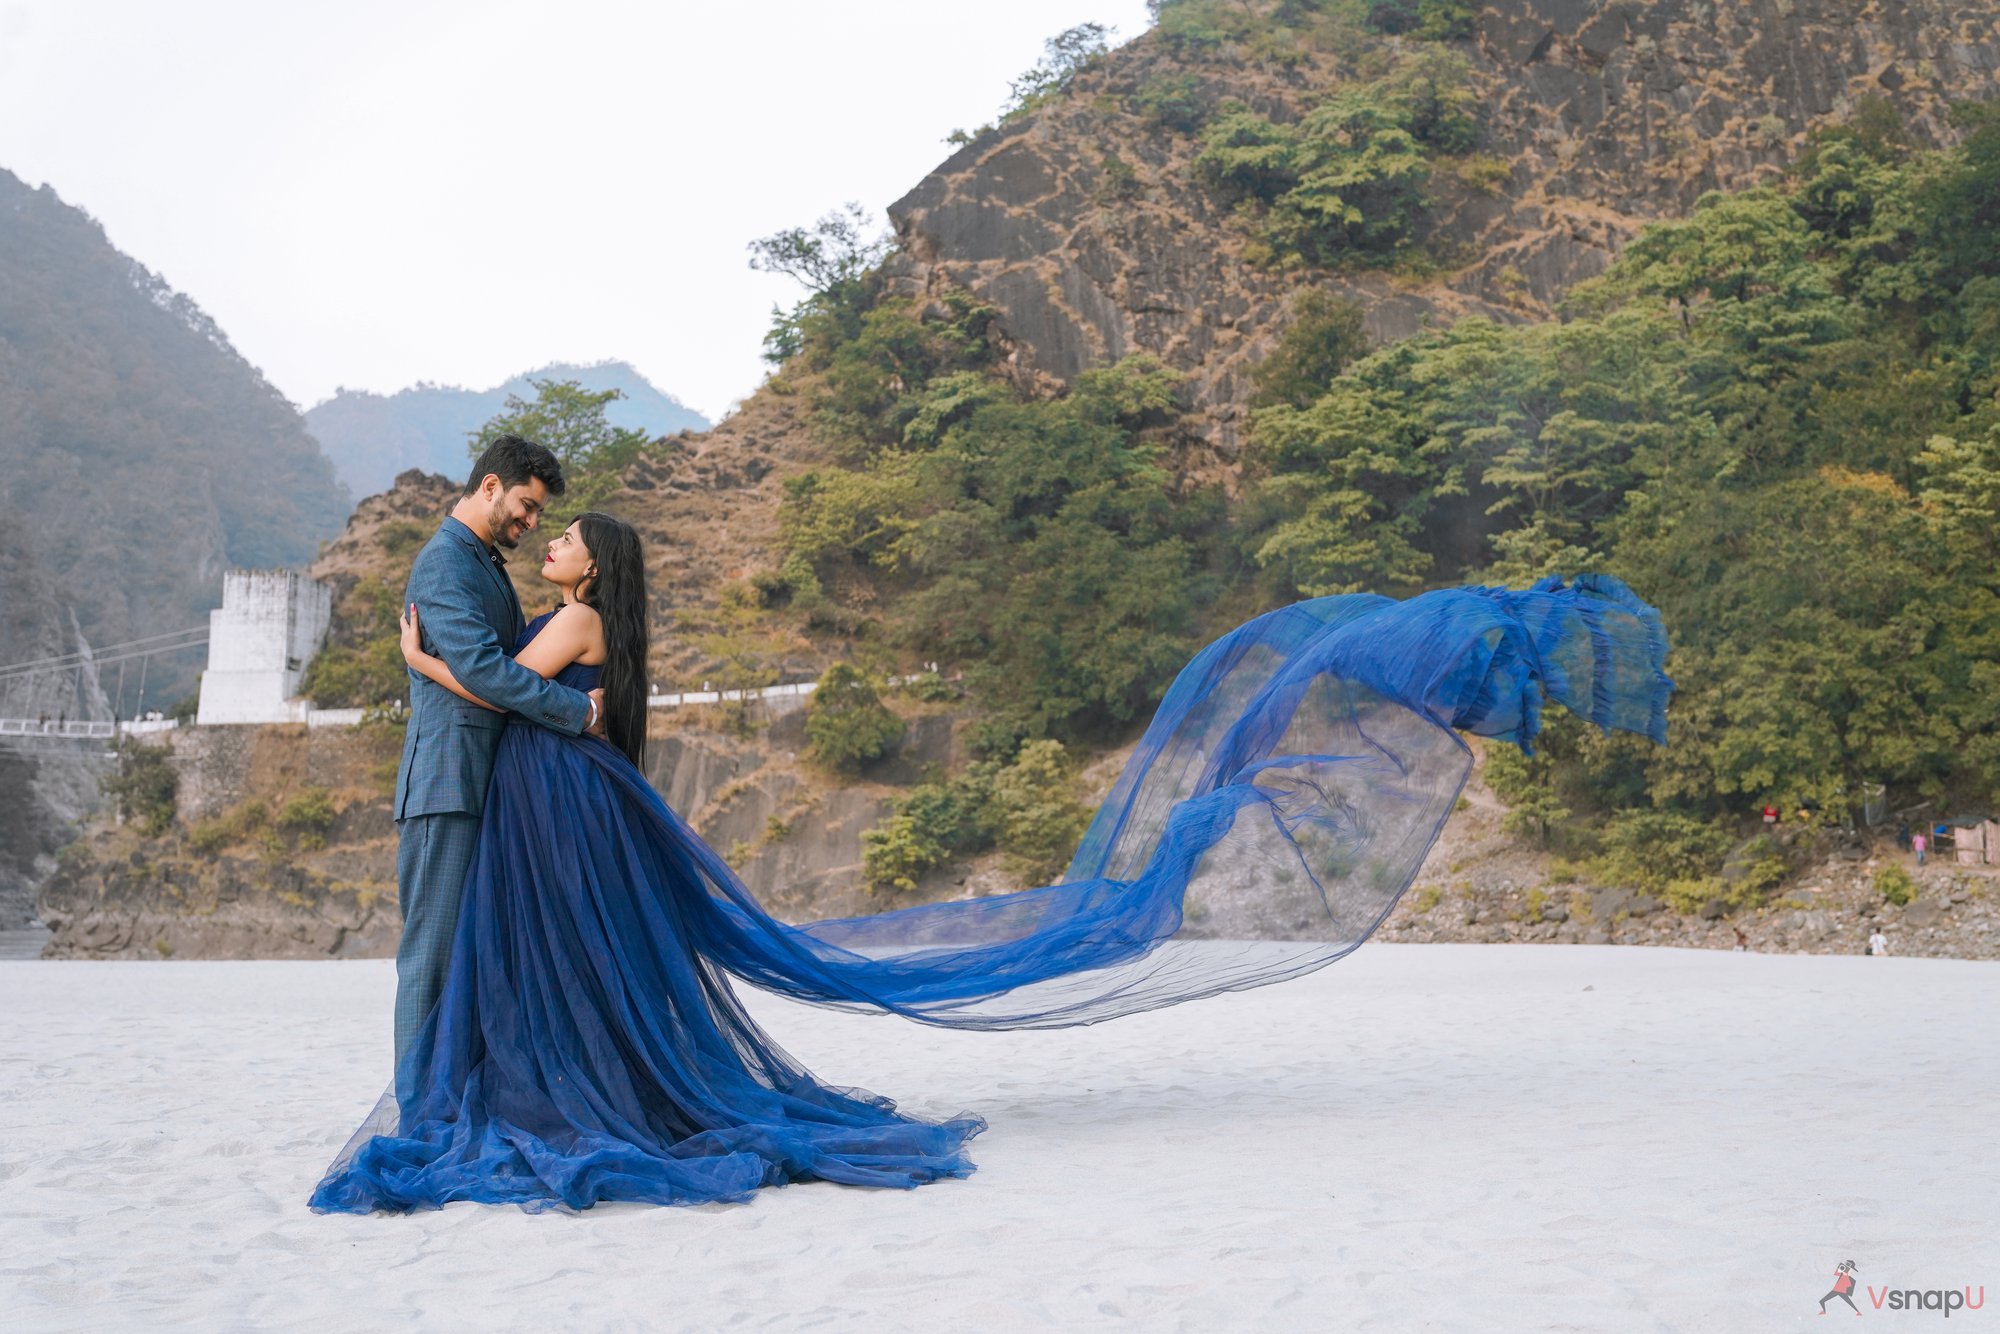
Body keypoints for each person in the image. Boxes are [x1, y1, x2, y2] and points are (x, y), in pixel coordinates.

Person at [310, 558, 1674, 1215]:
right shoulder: (586, 616)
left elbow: (510, 693)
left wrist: (429, 662)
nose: (545, 550)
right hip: (568, 812)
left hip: (562, 803)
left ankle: (551, 1088)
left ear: (588, 561)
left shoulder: (580, 611)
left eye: (556, 544)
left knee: (695, 960)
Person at [387, 435, 605, 1098]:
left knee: (475, 957)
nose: (531, 522)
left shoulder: (483, 562)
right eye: (526, 505)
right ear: (488, 486)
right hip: (447, 782)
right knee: (432, 956)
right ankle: (418, 1113)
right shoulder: (446, 564)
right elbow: (488, 674)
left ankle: (462, 1102)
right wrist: (579, 711)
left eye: (539, 514)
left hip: (492, 784)